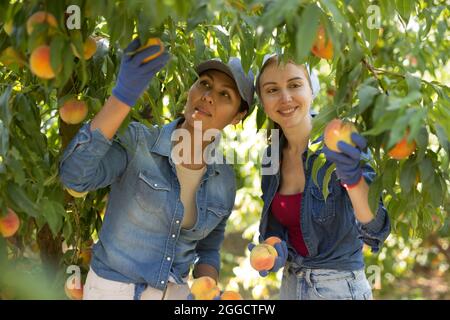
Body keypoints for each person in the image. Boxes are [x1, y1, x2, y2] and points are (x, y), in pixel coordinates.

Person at [59, 38, 255, 300]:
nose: (208, 96)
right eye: (205, 84)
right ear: (192, 89)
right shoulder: (139, 143)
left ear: (236, 117)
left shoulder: (225, 179)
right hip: (113, 291)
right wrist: (122, 96)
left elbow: (208, 248)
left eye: (225, 95)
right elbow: (74, 177)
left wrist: (208, 289)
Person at [248, 54, 390, 300]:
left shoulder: (340, 141)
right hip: (291, 286)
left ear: (311, 91)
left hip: (339, 288)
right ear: (263, 102)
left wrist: (353, 178)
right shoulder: (271, 156)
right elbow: (276, 227)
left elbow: (376, 229)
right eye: (272, 90)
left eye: (294, 85)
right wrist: (274, 248)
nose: (285, 98)